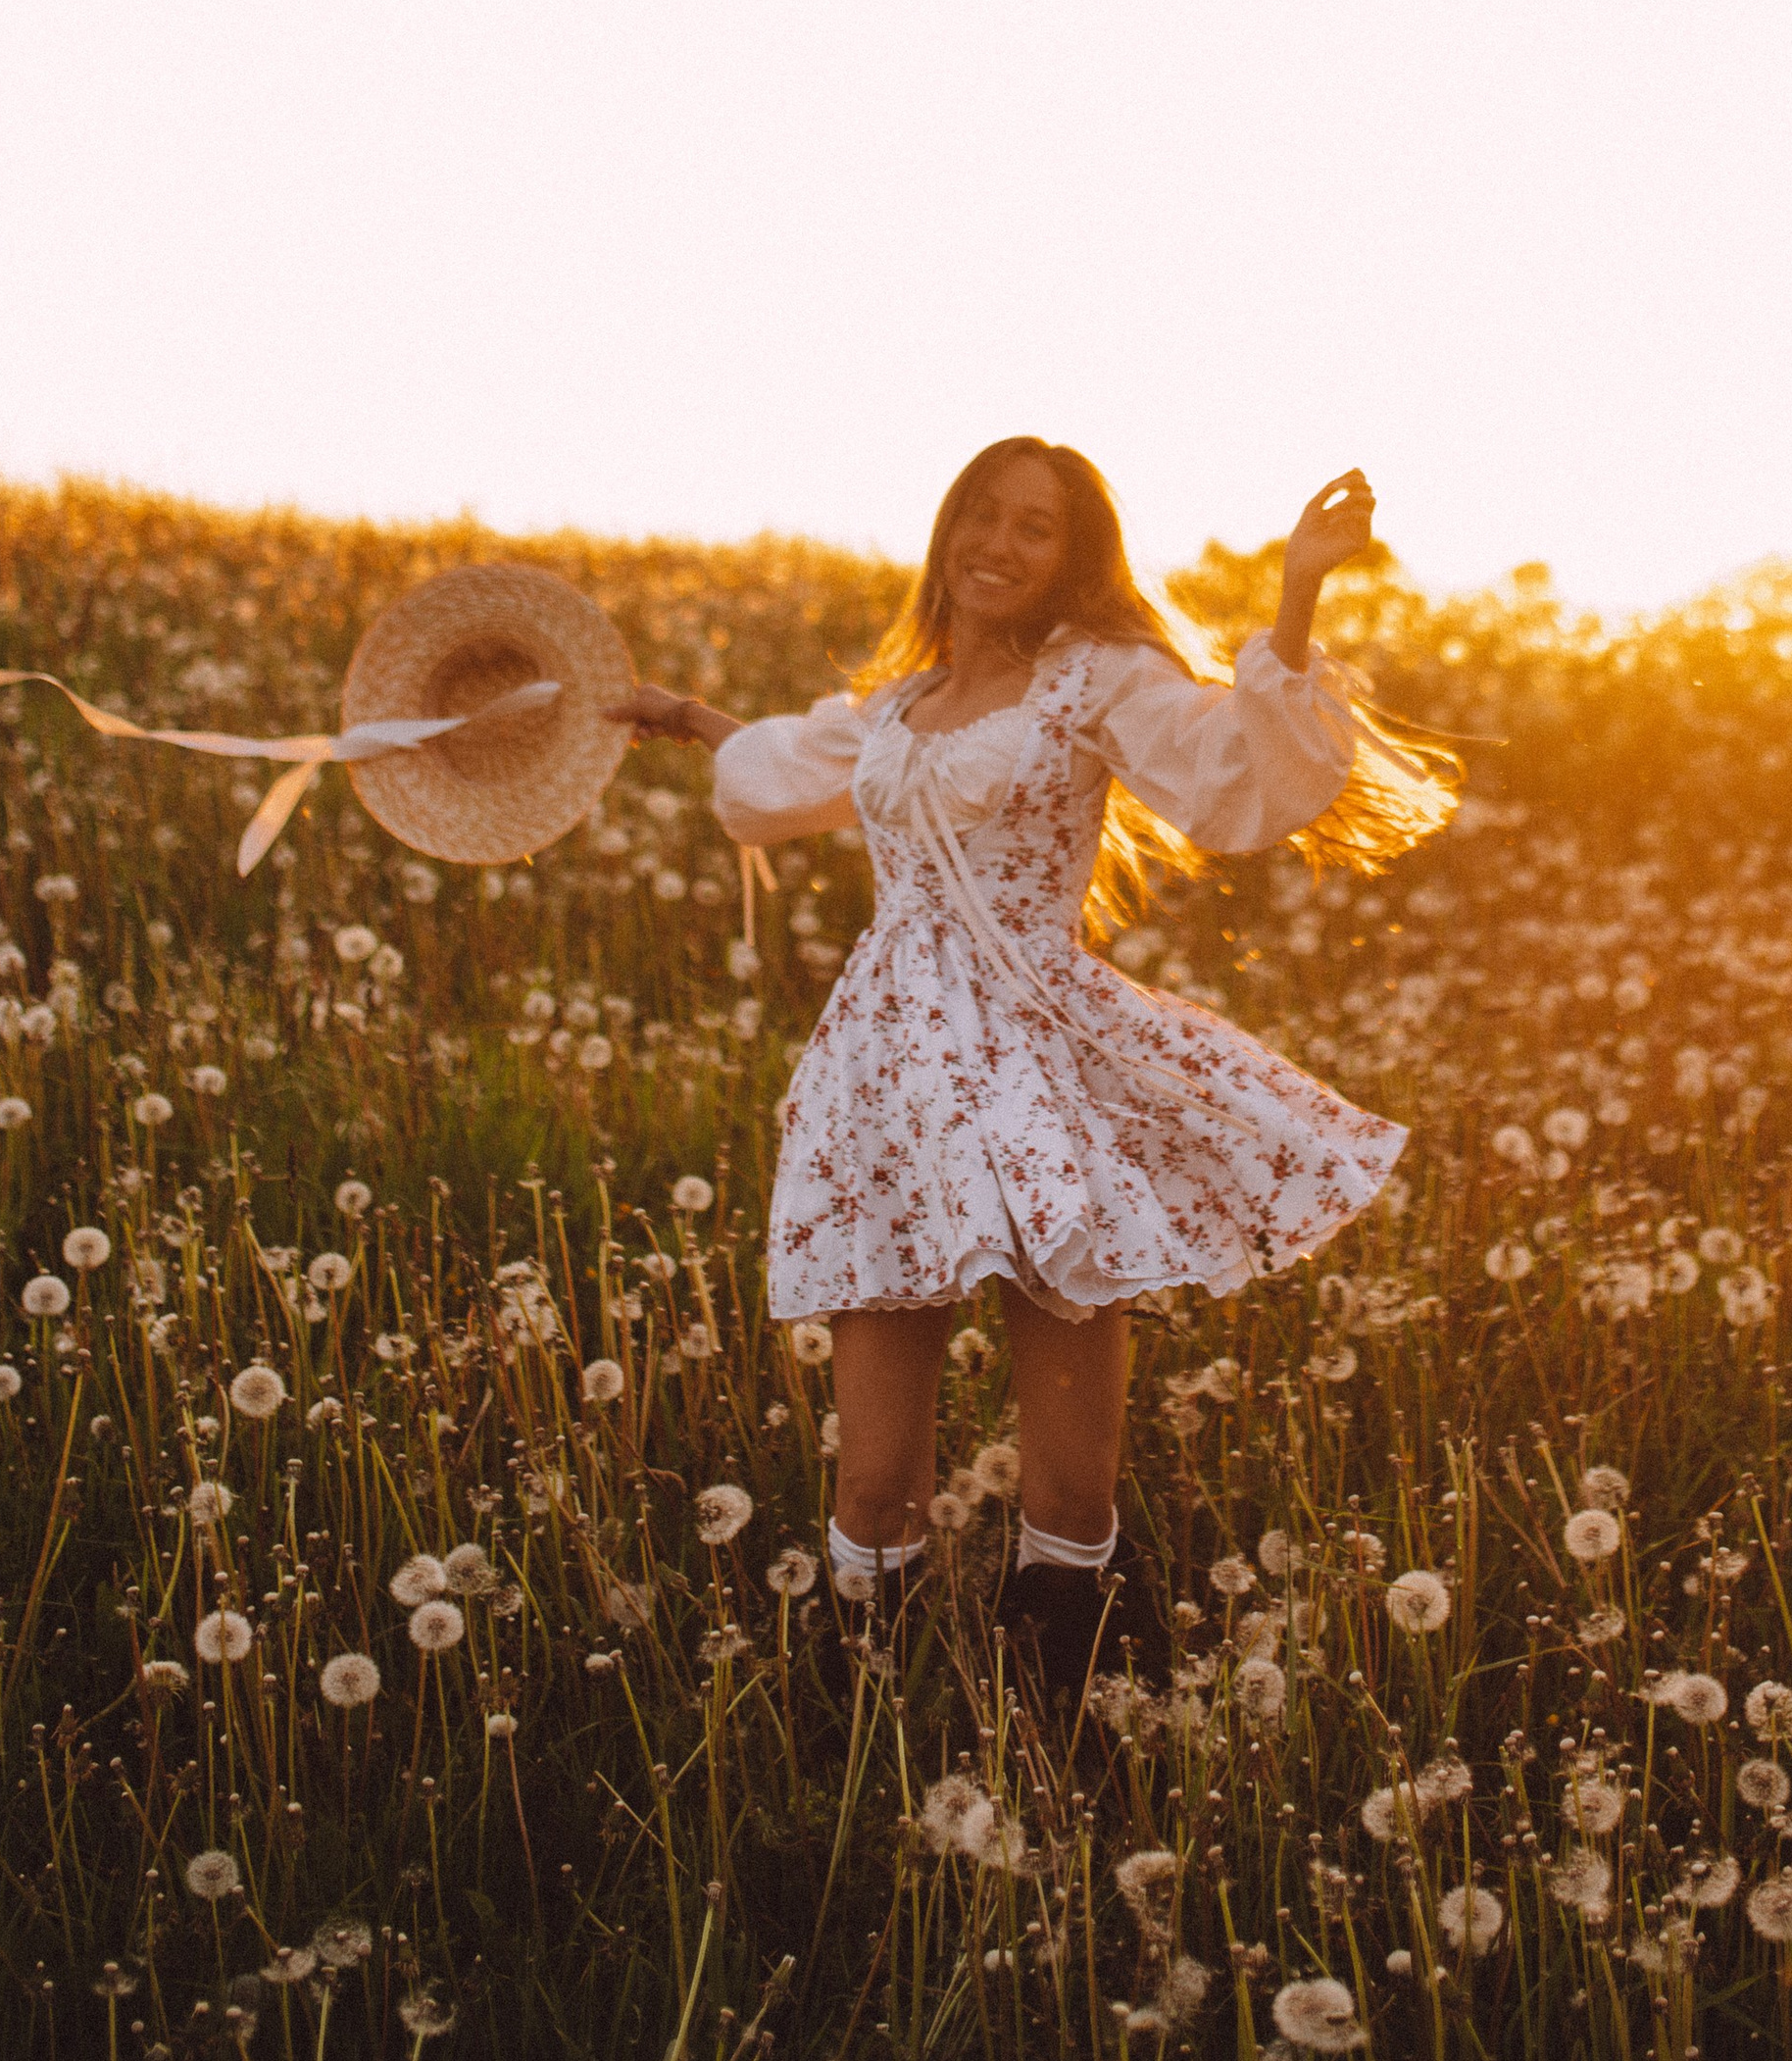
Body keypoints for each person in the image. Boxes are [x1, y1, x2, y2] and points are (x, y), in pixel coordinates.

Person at [608, 440, 1455, 1698]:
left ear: (1073, 557)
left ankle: (1064, 1715)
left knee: (1069, 1484)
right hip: (887, 1084)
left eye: (1034, 526)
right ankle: (874, 1720)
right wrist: (683, 716)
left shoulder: (1095, 679)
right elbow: (790, 766)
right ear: (948, 527)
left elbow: (1230, 766)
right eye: (982, 514)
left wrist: (1296, 589)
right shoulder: (897, 705)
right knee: (870, 1484)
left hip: (1036, 1078)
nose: (997, 544)